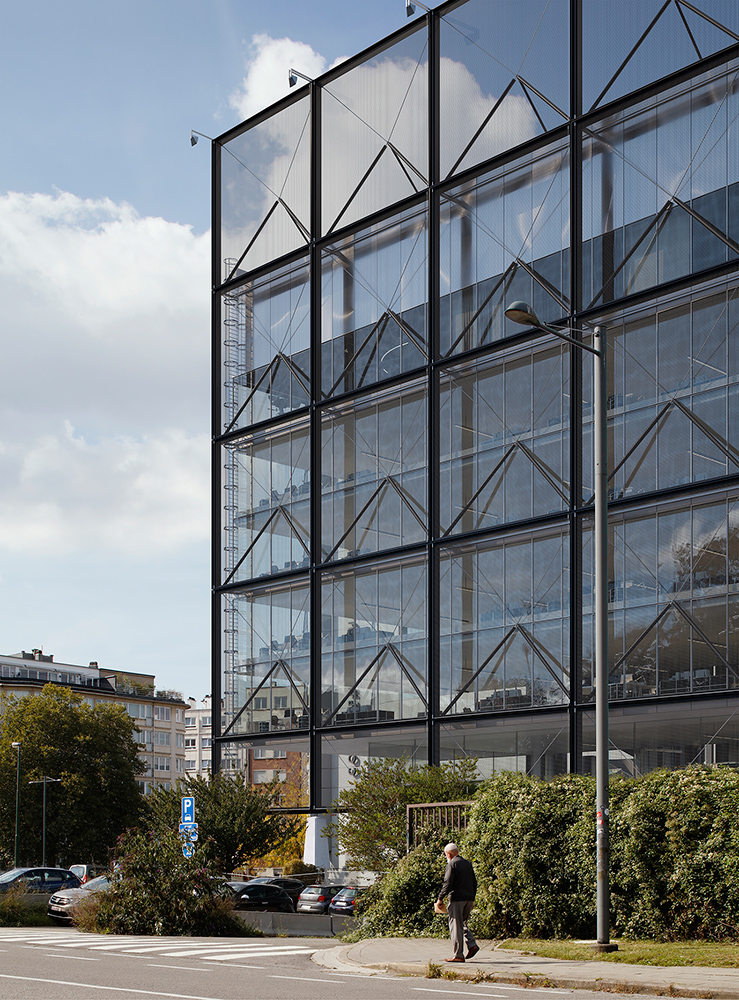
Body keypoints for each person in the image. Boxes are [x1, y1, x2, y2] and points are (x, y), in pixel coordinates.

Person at [437, 842, 479, 962]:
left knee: (455, 926)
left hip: (457, 899)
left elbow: (448, 883)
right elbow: (474, 882)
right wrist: (472, 899)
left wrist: (440, 898)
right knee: (462, 923)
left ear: (449, 854)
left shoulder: (452, 864)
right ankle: (472, 944)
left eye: (446, 855)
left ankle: (458, 955)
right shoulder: (467, 863)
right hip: (469, 898)